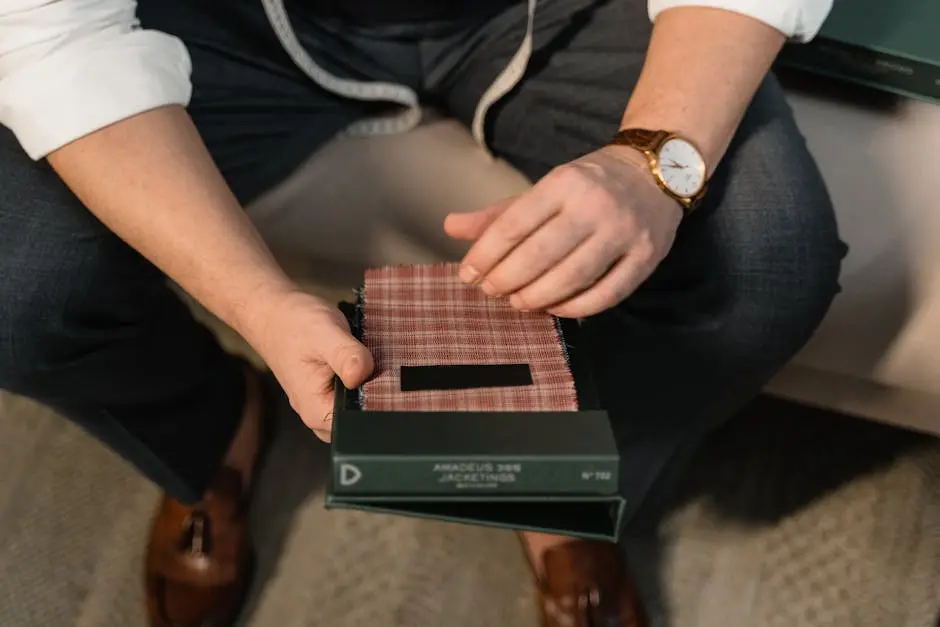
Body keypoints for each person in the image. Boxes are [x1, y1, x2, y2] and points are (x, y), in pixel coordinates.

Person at [0, 0, 846, 625]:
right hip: (226, 21)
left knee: (767, 260)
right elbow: (53, 37)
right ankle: (210, 437)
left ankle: (553, 487)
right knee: (17, 290)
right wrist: (255, 301)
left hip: (566, 13)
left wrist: (654, 163)